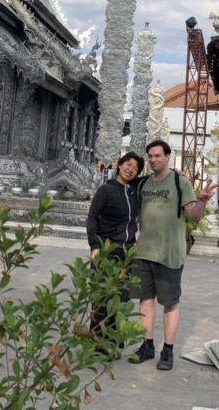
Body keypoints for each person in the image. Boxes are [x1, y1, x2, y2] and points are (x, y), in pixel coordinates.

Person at [130, 139, 215, 371]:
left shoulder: (180, 182)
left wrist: (202, 201)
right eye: (150, 156)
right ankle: (147, 345)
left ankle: (167, 350)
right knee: (145, 301)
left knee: (170, 303)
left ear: (168, 156)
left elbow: (193, 217)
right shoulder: (143, 184)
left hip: (170, 254)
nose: (153, 160)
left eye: (158, 155)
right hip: (144, 252)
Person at [85, 151, 144, 354]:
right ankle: (98, 344)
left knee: (122, 298)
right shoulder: (106, 190)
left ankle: (115, 341)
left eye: (135, 168)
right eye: (127, 164)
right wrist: (94, 245)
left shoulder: (134, 191)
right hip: (106, 250)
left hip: (126, 253)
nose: (130, 169)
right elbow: (92, 218)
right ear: (119, 165)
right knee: (102, 297)